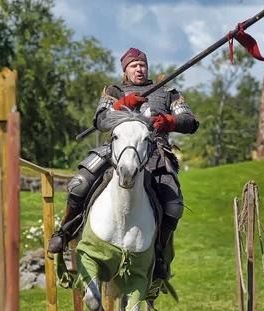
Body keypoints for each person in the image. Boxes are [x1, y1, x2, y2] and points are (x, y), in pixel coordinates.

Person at [48, 47, 199, 279]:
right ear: (125, 71)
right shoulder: (114, 91)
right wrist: (122, 104)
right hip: (117, 150)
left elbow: (190, 121)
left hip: (156, 153)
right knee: (79, 184)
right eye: (133, 66)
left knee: (173, 206)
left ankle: (158, 252)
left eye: (142, 65)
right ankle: (66, 230)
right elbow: (100, 120)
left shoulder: (167, 91)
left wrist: (169, 122)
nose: (139, 69)